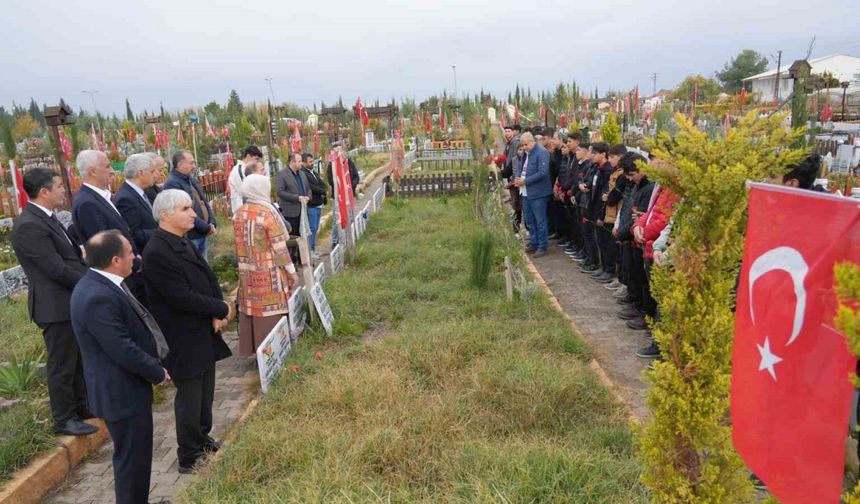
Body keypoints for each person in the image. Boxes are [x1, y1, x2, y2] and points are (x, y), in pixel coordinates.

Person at [71, 230, 170, 504]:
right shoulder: (96, 296)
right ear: (115, 260)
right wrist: (155, 371)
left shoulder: (102, 283)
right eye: (130, 252)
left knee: (136, 459)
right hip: (120, 393)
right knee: (131, 462)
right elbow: (121, 348)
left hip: (123, 390)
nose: (135, 256)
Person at [142, 189, 234, 474]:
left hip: (200, 329)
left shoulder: (180, 241)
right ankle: (188, 454)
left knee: (205, 391)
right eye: (186, 209)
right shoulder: (157, 250)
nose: (193, 213)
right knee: (190, 395)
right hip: (182, 334)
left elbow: (205, 277)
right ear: (166, 215)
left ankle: (202, 437)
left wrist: (217, 310)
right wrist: (219, 308)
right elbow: (180, 296)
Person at [10, 168, 95, 436]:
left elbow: (71, 257)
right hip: (54, 306)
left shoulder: (47, 217)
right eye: (59, 186)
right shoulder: (29, 226)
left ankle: (82, 407)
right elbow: (56, 269)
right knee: (62, 363)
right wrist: (91, 284)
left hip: (68, 301)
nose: (63, 189)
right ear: (44, 191)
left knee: (78, 358)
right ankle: (64, 418)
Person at [233, 174, 299, 356]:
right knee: (269, 318)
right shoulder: (267, 213)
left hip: (247, 275)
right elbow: (280, 248)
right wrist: (292, 272)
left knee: (253, 311)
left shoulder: (239, 213)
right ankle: (273, 354)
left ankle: (255, 352)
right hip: (269, 276)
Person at [163, 150, 217, 260]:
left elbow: (204, 201)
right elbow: (184, 211)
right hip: (191, 235)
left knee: (203, 268)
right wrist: (205, 227)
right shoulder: (173, 183)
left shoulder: (190, 179)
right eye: (191, 163)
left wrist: (212, 222)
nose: (193, 166)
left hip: (202, 233)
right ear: (179, 165)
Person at [514, 132, 552, 257]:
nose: (524, 147)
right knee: (529, 219)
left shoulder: (541, 152)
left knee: (540, 220)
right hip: (525, 190)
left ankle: (542, 246)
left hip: (538, 192)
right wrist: (518, 177)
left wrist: (525, 180)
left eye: (526, 144)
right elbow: (521, 166)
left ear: (532, 141)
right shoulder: (526, 152)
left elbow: (542, 173)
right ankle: (534, 242)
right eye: (523, 145)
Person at [115, 153, 158, 252]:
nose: (155, 175)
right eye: (152, 171)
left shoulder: (140, 192)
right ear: (141, 173)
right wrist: (164, 232)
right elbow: (134, 234)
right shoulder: (125, 199)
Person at [275, 153, 311, 236]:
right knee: (294, 238)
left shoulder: (302, 173)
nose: (301, 163)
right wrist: (297, 198)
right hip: (290, 213)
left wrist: (308, 197)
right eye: (299, 161)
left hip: (303, 210)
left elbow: (308, 188)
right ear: (292, 162)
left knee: (304, 236)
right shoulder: (282, 174)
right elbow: (280, 192)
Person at [302, 153, 327, 258]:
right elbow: (311, 187)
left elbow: (321, 183)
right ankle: (310, 251)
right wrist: (323, 191)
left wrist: (324, 190)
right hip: (311, 205)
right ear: (304, 163)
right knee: (312, 228)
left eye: (313, 161)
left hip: (318, 203)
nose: (312, 163)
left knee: (315, 228)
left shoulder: (314, 172)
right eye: (310, 162)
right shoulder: (303, 174)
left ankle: (313, 249)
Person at [227, 146, 263, 215]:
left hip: (248, 209)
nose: (257, 162)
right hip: (241, 211)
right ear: (248, 156)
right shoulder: (239, 170)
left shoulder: (247, 169)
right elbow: (246, 191)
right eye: (256, 159)